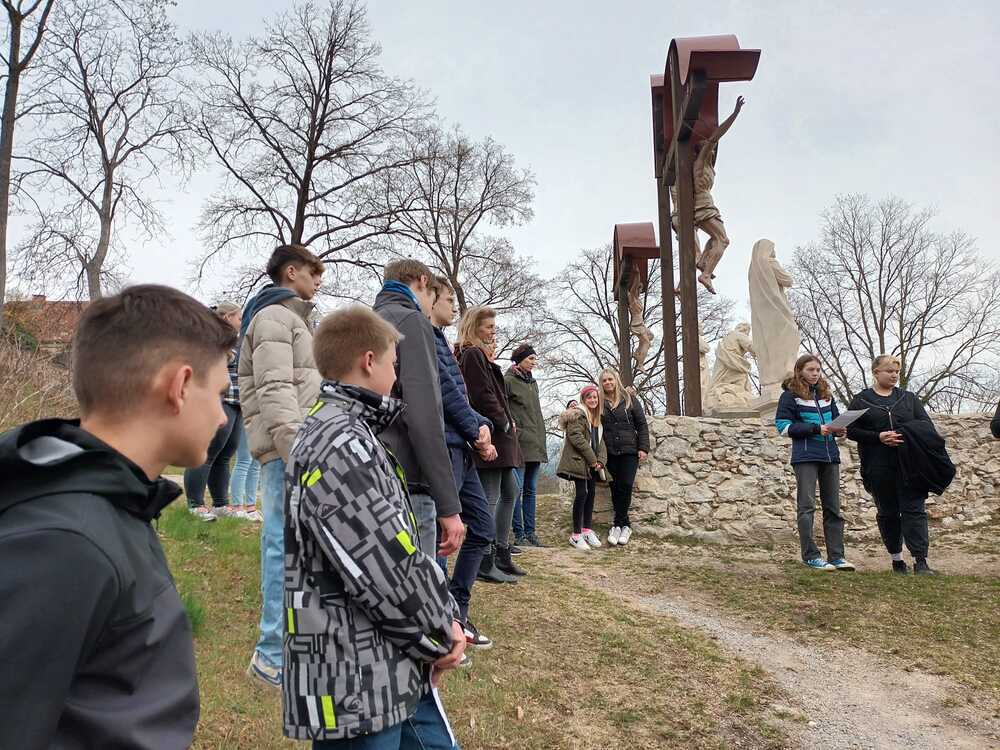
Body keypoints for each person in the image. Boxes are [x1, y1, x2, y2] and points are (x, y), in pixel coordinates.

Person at [0, 284, 236, 749]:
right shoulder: (66, 542)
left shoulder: (113, 504)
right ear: (180, 386)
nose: (224, 417)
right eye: (220, 394)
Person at [285, 305, 464, 749]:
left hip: (386, 666)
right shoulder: (339, 443)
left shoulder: (349, 432)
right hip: (355, 683)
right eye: (393, 363)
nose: (396, 374)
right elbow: (387, 563)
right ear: (369, 361)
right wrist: (441, 629)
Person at [239, 244, 324, 687]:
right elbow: (275, 387)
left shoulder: (295, 320)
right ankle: (271, 655)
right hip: (285, 452)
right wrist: (296, 449)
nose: (319, 280)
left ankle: (292, 645)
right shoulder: (274, 317)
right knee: (281, 545)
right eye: (313, 272)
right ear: (291, 272)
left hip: (297, 448)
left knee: (297, 547)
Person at [428, 274, 506, 653]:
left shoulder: (440, 340)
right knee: (442, 536)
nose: (453, 306)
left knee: (483, 528)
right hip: (450, 447)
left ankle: (457, 606)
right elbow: (447, 397)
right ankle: (442, 619)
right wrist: (481, 430)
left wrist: (481, 427)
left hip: (464, 446)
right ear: (431, 299)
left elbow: (459, 397)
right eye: (448, 299)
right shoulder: (430, 341)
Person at [374, 260, 465, 561]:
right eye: (433, 297)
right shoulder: (412, 322)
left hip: (373, 472)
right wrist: (448, 506)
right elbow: (424, 414)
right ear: (423, 281)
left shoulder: (369, 320)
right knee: (419, 579)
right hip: (410, 477)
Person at [847, 355, 937, 575]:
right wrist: (878, 437)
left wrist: (905, 432)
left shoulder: (908, 398)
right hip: (878, 466)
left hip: (910, 464)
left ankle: (921, 561)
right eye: (889, 371)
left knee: (914, 511)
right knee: (888, 513)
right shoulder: (861, 400)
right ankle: (897, 560)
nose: (894, 375)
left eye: (897, 371)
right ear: (876, 372)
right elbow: (850, 430)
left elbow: (926, 425)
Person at [456, 306, 526, 579]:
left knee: (511, 491)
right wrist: (503, 421)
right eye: (488, 327)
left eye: (494, 327)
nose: (493, 332)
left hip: (500, 432)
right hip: (491, 432)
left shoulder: (477, 354)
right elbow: (481, 394)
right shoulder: (472, 354)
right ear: (474, 327)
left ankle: (501, 552)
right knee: (491, 495)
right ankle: (484, 559)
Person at [774, 354, 855, 572]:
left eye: (818, 370)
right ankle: (810, 556)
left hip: (830, 456)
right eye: (810, 370)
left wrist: (840, 430)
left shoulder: (826, 395)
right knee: (807, 507)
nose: (815, 373)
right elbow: (783, 427)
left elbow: (835, 420)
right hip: (806, 456)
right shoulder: (789, 396)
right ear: (800, 370)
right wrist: (815, 429)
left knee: (833, 508)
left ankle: (837, 556)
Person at [184, 301, 243, 521]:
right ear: (227, 317)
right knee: (208, 452)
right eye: (239, 317)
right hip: (220, 401)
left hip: (237, 403)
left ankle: (220, 504)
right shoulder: (213, 338)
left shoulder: (236, 341)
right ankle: (195, 504)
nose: (242, 321)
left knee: (225, 455)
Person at [598, 368, 649, 547]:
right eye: (604, 380)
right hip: (609, 452)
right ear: (601, 384)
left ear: (616, 380)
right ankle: (621, 526)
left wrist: (643, 447)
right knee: (615, 487)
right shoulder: (600, 403)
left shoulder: (629, 399)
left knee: (626, 485)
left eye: (610, 379)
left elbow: (641, 424)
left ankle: (621, 524)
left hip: (629, 451)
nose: (608, 383)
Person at [505, 343, 548, 548]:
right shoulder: (508, 381)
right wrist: (515, 431)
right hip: (519, 443)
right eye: (531, 358)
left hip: (536, 443)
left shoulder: (533, 383)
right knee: (517, 490)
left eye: (534, 359)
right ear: (520, 359)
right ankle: (519, 534)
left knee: (531, 490)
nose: (534, 362)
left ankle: (531, 533)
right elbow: (503, 409)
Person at [557, 384, 608, 551]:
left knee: (590, 494)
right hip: (579, 461)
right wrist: (593, 459)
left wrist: (600, 461)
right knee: (582, 494)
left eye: (595, 397)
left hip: (591, 463)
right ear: (583, 400)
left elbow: (601, 441)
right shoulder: (578, 415)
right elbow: (576, 437)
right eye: (589, 397)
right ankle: (576, 534)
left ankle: (586, 530)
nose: (593, 400)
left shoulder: (596, 418)